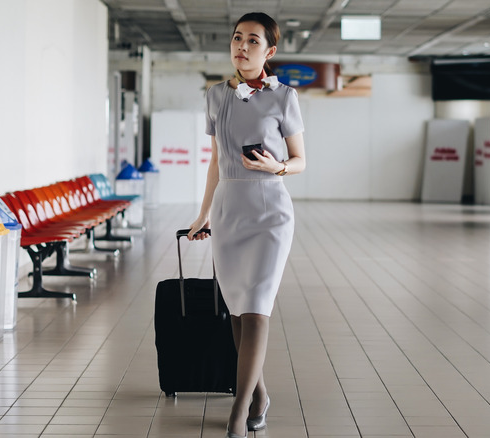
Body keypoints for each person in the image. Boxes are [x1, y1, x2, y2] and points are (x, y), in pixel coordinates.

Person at [187, 11, 306, 438]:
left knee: (257, 309)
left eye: (253, 41)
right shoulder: (215, 95)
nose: (242, 46)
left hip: (270, 210)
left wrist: (278, 167)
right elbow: (216, 162)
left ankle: (239, 410)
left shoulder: (283, 97)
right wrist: (203, 215)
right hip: (228, 208)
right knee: (236, 312)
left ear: (269, 51)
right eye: (238, 38)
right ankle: (258, 393)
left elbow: (300, 161)